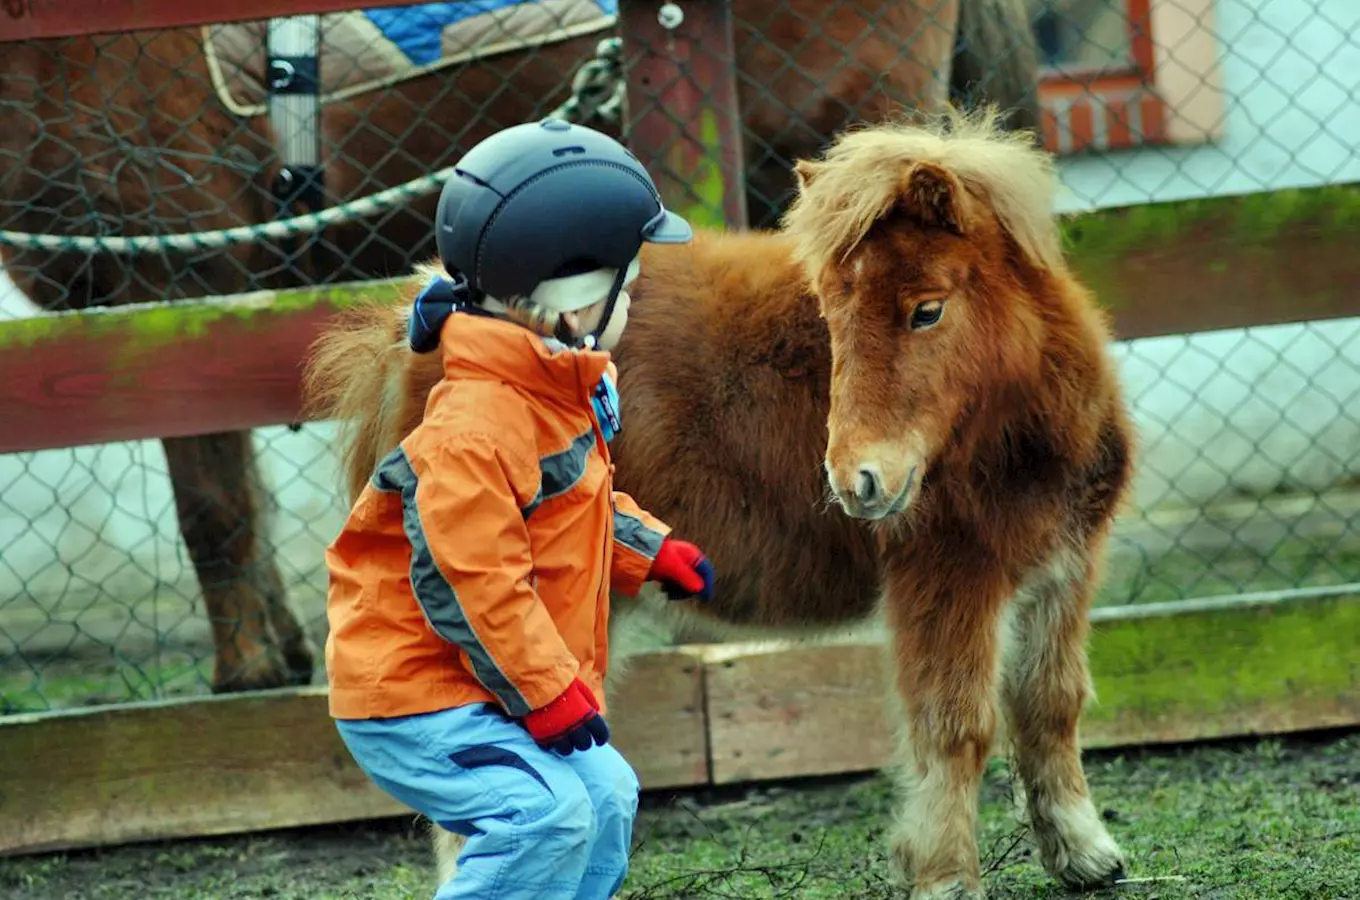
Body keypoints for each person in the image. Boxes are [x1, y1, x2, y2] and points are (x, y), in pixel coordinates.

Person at [322, 118, 716, 900]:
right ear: (572, 307)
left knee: (606, 793)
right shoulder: (477, 427)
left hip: (487, 675)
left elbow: (575, 501)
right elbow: (473, 584)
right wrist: (547, 691)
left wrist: (648, 550)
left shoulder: (549, 388)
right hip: (417, 691)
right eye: (626, 292)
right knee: (543, 814)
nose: (632, 309)